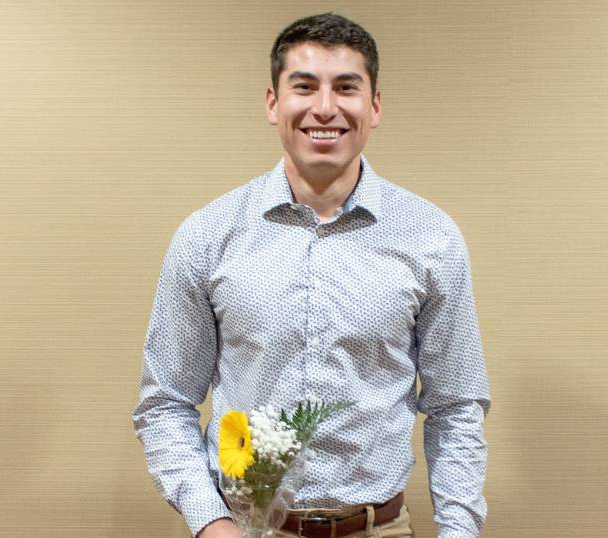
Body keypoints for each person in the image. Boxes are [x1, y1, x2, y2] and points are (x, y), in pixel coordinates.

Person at [132, 12, 492, 538]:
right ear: (273, 103)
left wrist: (459, 532)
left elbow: (456, 406)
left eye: (346, 87)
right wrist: (211, 524)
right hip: (248, 529)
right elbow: (165, 402)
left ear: (374, 106)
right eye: (305, 87)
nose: (325, 107)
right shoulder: (209, 234)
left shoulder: (429, 236)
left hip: (380, 529)